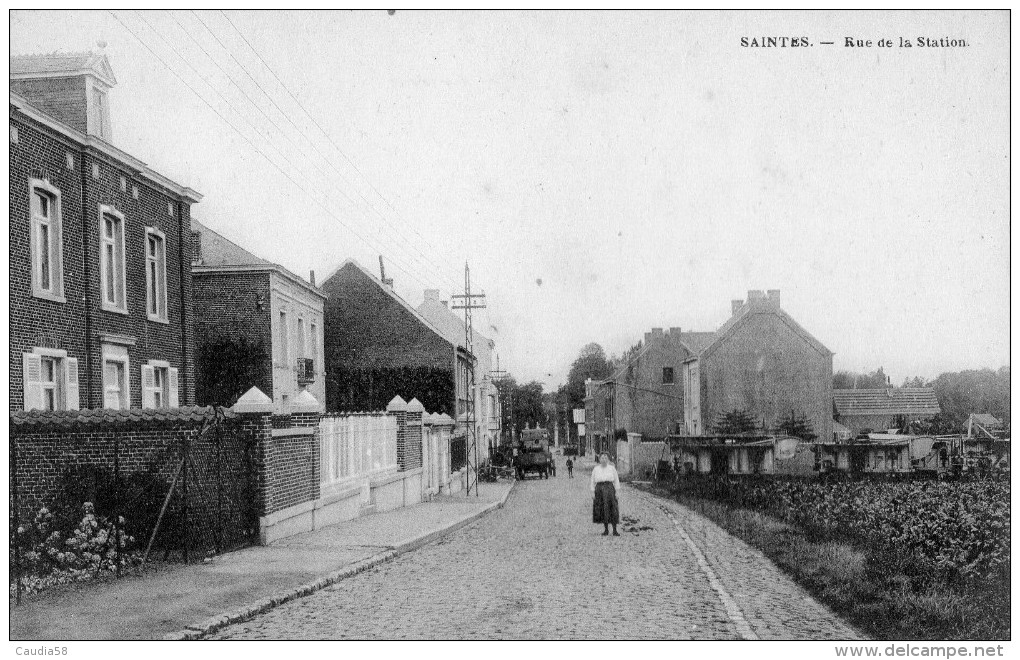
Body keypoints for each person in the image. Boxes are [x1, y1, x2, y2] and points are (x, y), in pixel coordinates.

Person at [590, 452, 621, 536]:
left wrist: (617, 492)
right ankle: (606, 530)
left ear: (608, 459)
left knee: (613, 508)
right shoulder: (596, 469)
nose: (604, 460)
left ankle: (615, 530)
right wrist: (592, 492)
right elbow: (592, 481)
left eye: (606, 458)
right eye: (602, 458)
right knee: (603, 509)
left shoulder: (612, 468)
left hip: (610, 488)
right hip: (599, 489)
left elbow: (616, 480)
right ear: (599, 459)